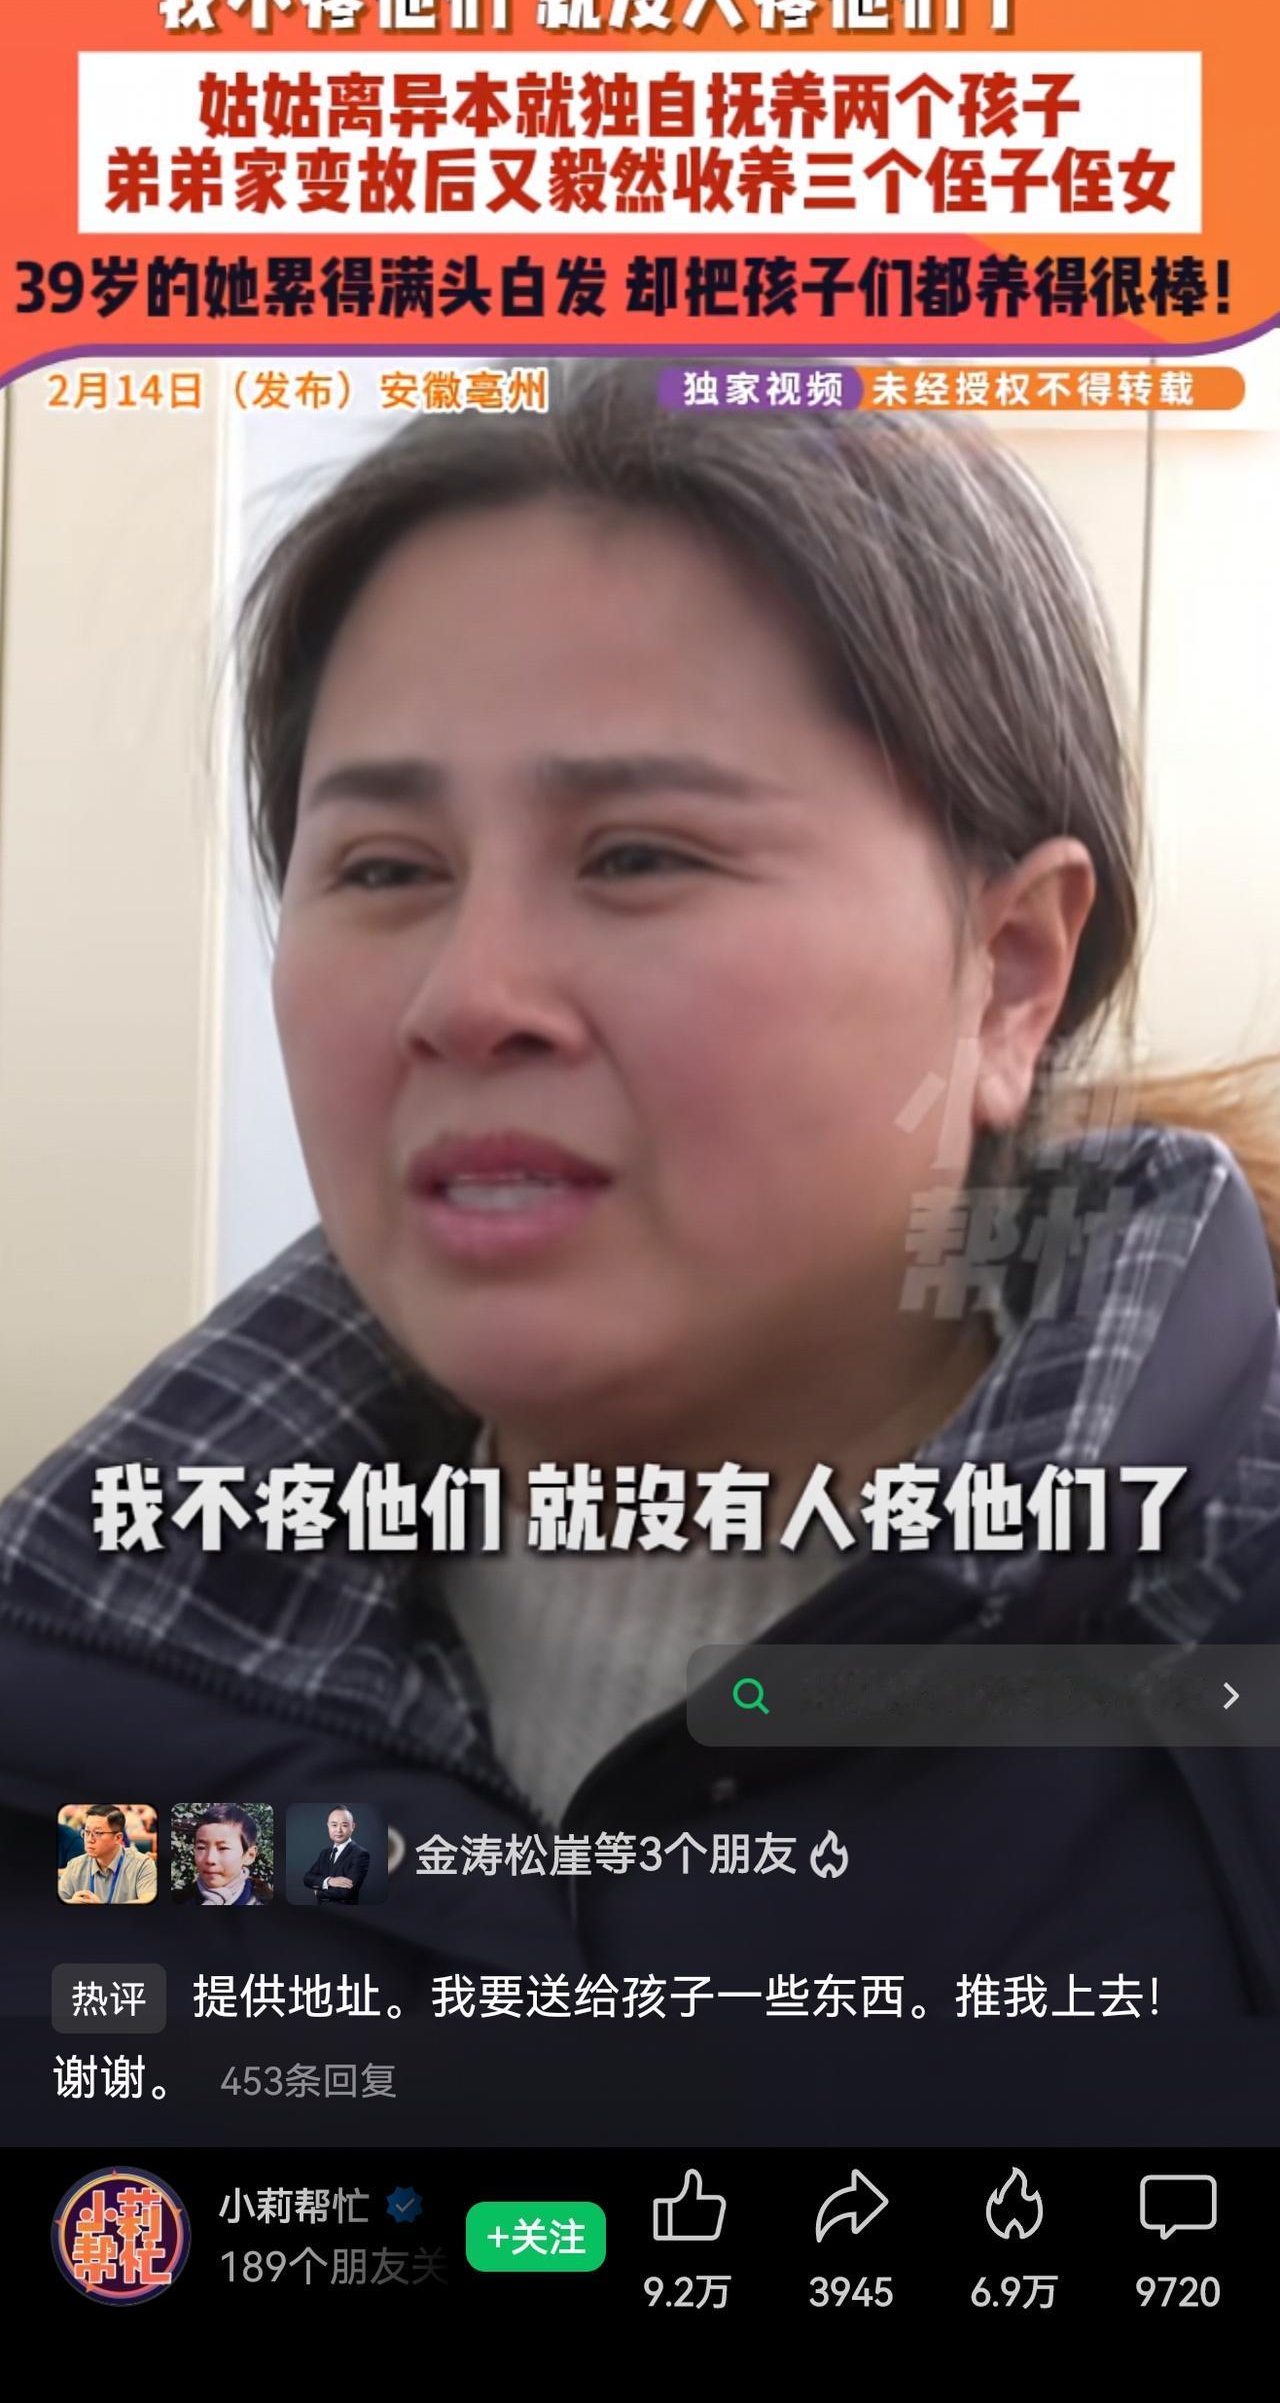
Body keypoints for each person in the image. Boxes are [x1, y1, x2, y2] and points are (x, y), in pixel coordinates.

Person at [2, 364, 1279, 2143]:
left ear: (1009, 974)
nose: (468, 1000)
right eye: (382, 870)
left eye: (638, 856)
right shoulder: (76, 1672)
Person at [173, 1804, 271, 1907]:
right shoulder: (179, 1899)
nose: (209, 1859)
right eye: (201, 1848)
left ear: (249, 1855)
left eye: (223, 1848)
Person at [58, 1803, 157, 1905]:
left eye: (98, 1833)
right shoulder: (75, 1866)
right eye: (87, 1832)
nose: (89, 1839)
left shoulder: (142, 1865)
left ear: (118, 1838)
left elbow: (148, 1900)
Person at [302, 1805, 370, 1904]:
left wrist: (318, 1893)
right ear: (328, 1826)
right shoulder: (325, 1853)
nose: (338, 1830)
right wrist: (329, 1881)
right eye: (334, 1825)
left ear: (353, 1826)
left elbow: (346, 1892)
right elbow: (307, 1878)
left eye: (344, 1825)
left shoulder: (360, 1854)